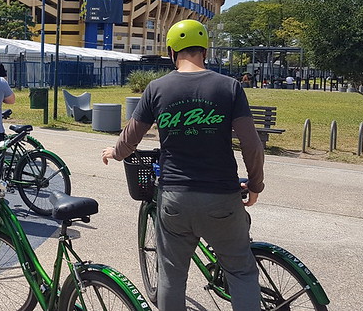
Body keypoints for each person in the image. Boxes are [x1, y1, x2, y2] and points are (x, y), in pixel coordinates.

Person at [101, 19, 265, 311]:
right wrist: (255, 185)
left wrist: (116, 152)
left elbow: (131, 138)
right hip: (222, 198)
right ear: (204, 49)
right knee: (240, 272)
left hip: (174, 199)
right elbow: (252, 145)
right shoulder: (229, 87)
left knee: (172, 278)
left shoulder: (157, 88)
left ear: (171, 50)